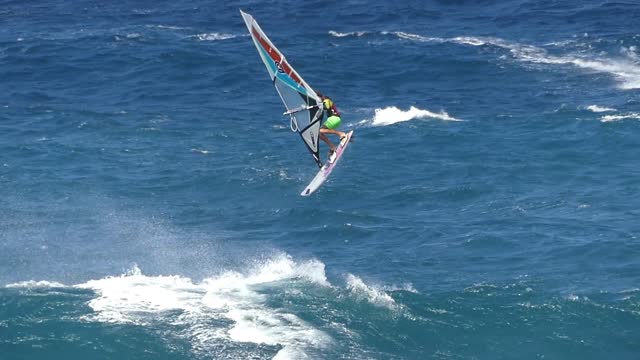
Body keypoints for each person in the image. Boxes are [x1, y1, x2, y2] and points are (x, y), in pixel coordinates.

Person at [316, 92, 348, 158]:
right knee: (319, 134)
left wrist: (319, 105)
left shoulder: (326, 100)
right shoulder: (323, 102)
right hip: (332, 119)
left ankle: (340, 133)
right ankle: (332, 147)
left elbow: (327, 107)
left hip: (334, 118)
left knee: (319, 131)